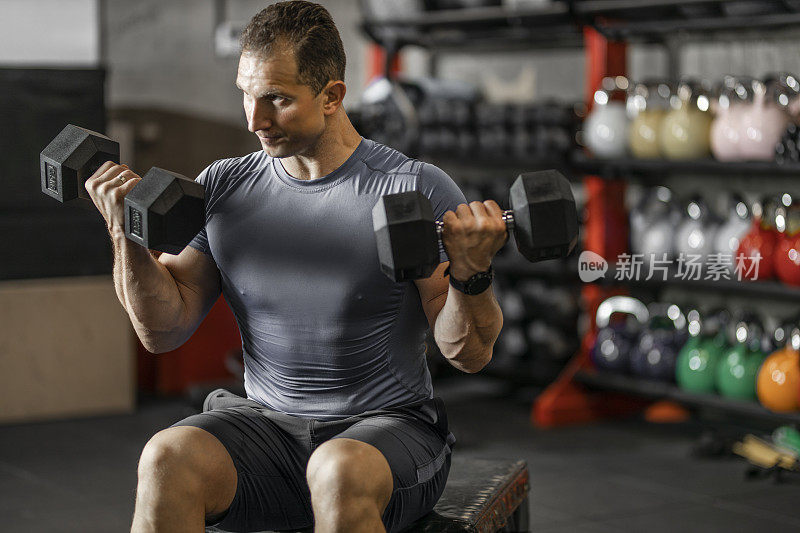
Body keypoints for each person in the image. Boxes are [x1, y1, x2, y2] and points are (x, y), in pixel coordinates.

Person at [84, 2, 505, 532]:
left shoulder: (411, 189)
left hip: (386, 433)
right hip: (267, 430)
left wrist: (471, 275)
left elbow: (467, 353)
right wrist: (126, 236)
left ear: (332, 96)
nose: (255, 120)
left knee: (337, 470)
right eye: (246, 94)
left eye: (278, 99)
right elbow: (162, 329)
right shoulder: (224, 186)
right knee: (167, 458)